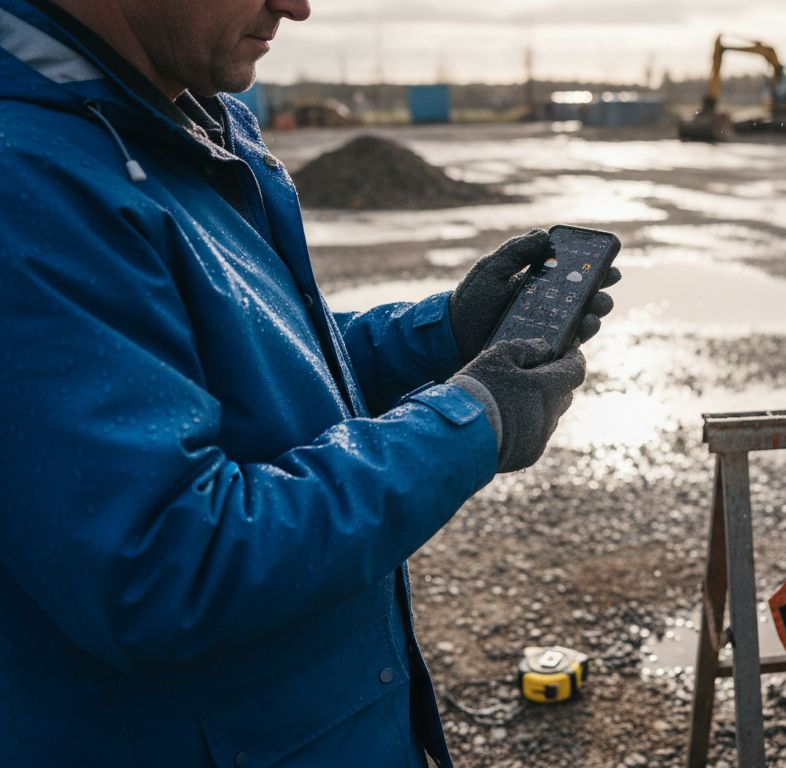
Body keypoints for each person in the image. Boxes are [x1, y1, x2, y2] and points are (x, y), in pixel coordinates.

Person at [0, 1, 617, 765]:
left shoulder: (181, 119)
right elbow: (164, 565)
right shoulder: (28, 181)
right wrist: (471, 421)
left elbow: (260, 374)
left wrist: (443, 334)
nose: (296, 4)